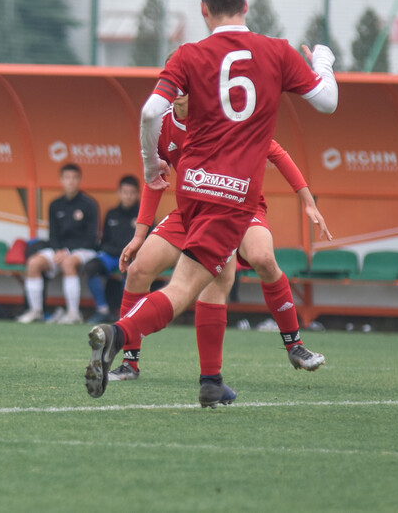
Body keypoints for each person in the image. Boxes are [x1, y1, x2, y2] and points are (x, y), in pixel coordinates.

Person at [85, 0, 337, 406]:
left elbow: (148, 113)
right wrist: (322, 59)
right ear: (246, 3)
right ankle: (118, 334)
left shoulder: (187, 55)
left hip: (194, 193)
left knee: (218, 279)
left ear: (204, 10)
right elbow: (327, 102)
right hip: (233, 196)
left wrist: (149, 166)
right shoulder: (277, 52)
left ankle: (211, 383)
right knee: (183, 289)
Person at [108, 91, 332, 387]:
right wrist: (139, 234)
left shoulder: (224, 117)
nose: (175, 91)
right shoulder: (160, 125)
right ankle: (129, 363)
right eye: (170, 83)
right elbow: (154, 177)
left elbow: (274, 151)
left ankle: (294, 346)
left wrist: (308, 201)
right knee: (139, 269)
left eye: (183, 84)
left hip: (241, 205)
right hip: (192, 211)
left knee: (263, 260)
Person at [16, 163, 100, 325]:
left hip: (84, 251)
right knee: (33, 263)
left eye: (74, 178)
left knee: (68, 263)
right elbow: (52, 235)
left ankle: (73, 313)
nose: (71, 181)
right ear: (61, 180)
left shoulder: (89, 204)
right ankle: (36, 311)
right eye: (67, 178)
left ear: (79, 180)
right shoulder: (55, 205)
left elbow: (92, 238)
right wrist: (57, 250)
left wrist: (67, 251)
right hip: (60, 250)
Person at [81, 175, 141, 324]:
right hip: (111, 256)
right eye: (125, 192)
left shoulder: (142, 214)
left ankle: (125, 315)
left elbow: (148, 241)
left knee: (131, 273)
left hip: (131, 257)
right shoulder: (111, 213)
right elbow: (104, 240)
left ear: (138, 194)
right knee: (90, 267)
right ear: (119, 193)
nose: (128, 196)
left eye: (132, 192)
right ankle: (102, 310)